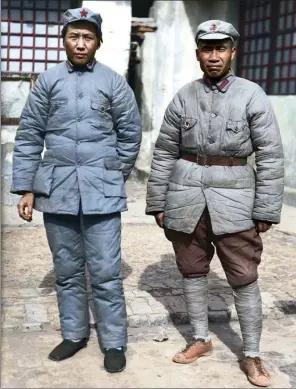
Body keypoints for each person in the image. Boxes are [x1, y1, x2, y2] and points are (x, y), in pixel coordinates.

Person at [146, 20, 284, 387]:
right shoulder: (184, 96)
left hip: (236, 198)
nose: (213, 56)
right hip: (185, 195)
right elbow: (164, 152)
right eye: (207, 49)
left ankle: (252, 353)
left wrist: (266, 208)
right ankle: (200, 339)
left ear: (232, 52)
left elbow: (270, 154)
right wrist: (159, 200)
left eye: (221, 48)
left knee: (244, 276)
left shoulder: (252, 95)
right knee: (191, 270)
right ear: (197, 54)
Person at [11, 7, 142, 373]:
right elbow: (29, 136)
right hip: (57, 190)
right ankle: (74, 335)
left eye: (88, 37)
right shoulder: (48, 82)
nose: (81, 44)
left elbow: (130, 134)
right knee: (66, 270)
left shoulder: (115, 82)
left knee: (105, 271)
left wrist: (113, 174)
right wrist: (26, 188)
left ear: (98, 41)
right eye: (74, 36)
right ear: (64, 40)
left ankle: (114, 341)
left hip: (102, 191)